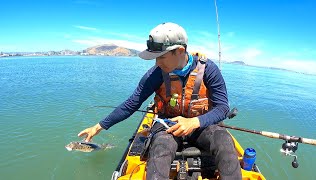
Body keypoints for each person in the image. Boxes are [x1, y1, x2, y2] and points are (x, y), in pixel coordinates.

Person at [78, 22, 242, 179]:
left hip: (201, 125)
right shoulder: (156, 73)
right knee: (160, 147)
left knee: (223, 140)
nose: (157, 63)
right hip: (167, 125)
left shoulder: (209, 70)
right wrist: (99, 126)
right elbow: (132, 103)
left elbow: (222, 108)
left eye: (161, 57)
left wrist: (193, 122)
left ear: (179, 51)